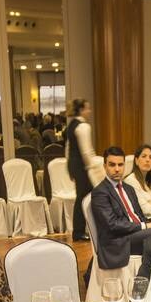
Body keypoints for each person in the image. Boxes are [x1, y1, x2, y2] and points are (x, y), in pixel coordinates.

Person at [91, 146, 151, 273]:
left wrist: (149, 224)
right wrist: (144, 226)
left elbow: (139, 215)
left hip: (137, 232)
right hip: (121, 240)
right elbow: (112, 225)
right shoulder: (100, 192)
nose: (117, 169)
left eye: (120, 164)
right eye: (112, 165)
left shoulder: (128, 188)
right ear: (104, 166)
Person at [64, 98, 99, 239]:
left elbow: (68, 149)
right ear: (82, 110)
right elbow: (86, 151)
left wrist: (69, 167)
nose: (89, 111)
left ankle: (82, 230)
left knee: (84, 197)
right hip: (83, 167)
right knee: (85, 198)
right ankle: (79, 231)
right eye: (88, 108)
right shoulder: (84, 127)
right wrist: (93, 167)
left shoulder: (71, 125)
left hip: (74, 165)